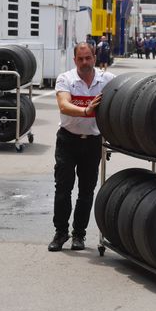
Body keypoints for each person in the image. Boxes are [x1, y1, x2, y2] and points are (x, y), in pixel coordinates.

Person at [48, 42, 115, 252]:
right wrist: (86, 111)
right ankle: (60, 233)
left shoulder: (108, 80)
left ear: (94, 57)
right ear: (74, 60)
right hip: (68, 141)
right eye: (80, 59)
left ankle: (79, 235)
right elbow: (63, 105)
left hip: (93, 143)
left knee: (86, 191)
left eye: (88, 58)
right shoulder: (66, 79)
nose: (85, 63)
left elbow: (124, 100)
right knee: (63, 189)